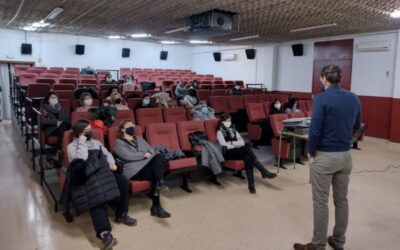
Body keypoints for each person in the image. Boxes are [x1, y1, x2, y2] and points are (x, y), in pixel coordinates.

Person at [293, 65, 361, 250]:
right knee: (342, 200)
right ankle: (338, 242)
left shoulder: (321, 98)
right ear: (340, 78)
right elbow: (357, 125)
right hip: (346, 155)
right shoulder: (354, 97)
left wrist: (311, 152)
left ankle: (318, 245)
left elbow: (315, 130)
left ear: (323, 78)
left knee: (320, 202)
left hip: (324, 156)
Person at [66, 120, 136, 250]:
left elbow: (107, 153)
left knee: (122, 180)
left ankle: (121, 213)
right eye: (86, 130)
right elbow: (80, 160)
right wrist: (82, 142)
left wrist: (111, 162)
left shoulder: (97, 143)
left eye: (90, 129)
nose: (90, 132)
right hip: (85, 178)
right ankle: (105, 234)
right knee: (96, 193)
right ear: (79, 133)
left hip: (102, 174)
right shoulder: (72, 146)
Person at [114, 120, 171, 218]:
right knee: (156, 172)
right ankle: (157, 200)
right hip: (132, 170)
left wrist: (145, 155)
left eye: (133, 125)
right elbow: (127, 156)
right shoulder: (119, 142)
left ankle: (156, 204)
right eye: (129, 125)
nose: (132, 126)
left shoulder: (139, 139)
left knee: (158, 159)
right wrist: (143, 154)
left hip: (144, 166)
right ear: (123, 129)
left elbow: (151, 150)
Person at [217, 113, 277, 194]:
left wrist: (231, 142)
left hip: (239, 150)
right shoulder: (219, 132)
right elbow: (225, 146)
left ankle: (251, 186)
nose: (229, 122)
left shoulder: (234, 130)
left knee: (248, 158)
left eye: (230, 120)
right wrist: (235, 143)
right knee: (247, 148)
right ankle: (263, 171)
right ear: (222, 122)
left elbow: (241, 142)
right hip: (228, 153)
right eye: (226, 121)